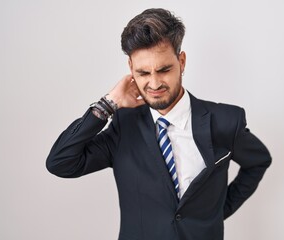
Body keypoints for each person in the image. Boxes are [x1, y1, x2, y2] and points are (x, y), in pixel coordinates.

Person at [46, 8, 272, 240]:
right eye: (143, 73)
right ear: (130, 68)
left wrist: (218, 211)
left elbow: (258, 161)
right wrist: (107, 105)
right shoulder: (123, 127)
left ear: (181, 62)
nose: (154, 83)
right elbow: (61, 163)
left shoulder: (225, 121)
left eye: (164, 70)